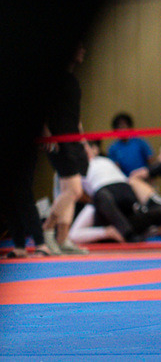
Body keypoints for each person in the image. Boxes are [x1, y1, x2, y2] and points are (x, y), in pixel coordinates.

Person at [70, 141, 161, 244]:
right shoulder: (76, 169)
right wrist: (105, 229)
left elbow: (128, 180)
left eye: (87, 146)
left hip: (126, 201)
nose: (87, 150)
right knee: (101, 198)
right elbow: (77, 193)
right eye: (83, 147)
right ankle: (120, 233)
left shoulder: (105, 161)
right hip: (103, 205)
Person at [40, 42, 90, 255]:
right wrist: (45, 133)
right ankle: (47, 230)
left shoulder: (73, 81)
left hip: (74, 140)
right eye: (79, 47)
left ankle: (63, 239)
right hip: (58, 140)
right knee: (74, 190)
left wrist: (84, 141)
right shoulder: (53, 79)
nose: (83, 50)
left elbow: (75, 115)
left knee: (69, 191)